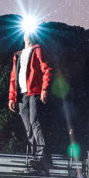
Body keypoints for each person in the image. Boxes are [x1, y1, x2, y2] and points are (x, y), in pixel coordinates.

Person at [8, 31, 52, 168]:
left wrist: (45, 89)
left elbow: (47, 69)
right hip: (22, 95)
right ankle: (34, 156)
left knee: (35, 122)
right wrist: (12, 97)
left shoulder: (38, 50)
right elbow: (13, 77)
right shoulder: (18, 55)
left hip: (35, 92)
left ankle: (41, 154)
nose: (27, 34)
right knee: (28, 127)